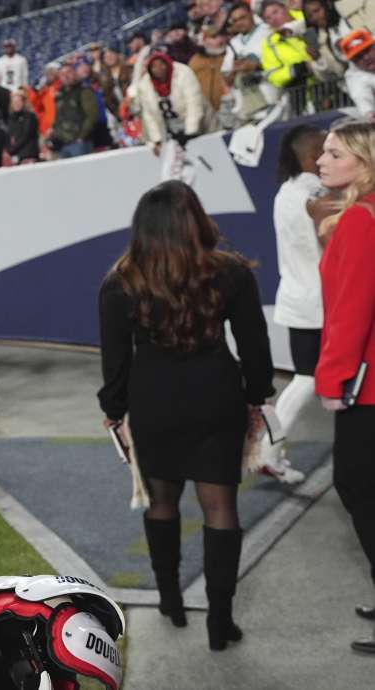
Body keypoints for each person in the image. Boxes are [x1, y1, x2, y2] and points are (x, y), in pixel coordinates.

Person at [98, 180, 274, 651]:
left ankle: (171, 601)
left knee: (161, 503)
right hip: (218, 399)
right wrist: (258, 397)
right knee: (221, 508)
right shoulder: (231, 272)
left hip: (154, 403)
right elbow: (256, 348)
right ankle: (221, 620)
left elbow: (114, 364)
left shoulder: (121, 282)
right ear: (196, 220)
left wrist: (114, 412)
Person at [313, 119, 375, 655]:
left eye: (334, 153)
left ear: (363, 160)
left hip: (365, 387)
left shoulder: (359, 219)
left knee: (356, 485)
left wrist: (331, 379)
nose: (321, 161)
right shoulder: (359, 216)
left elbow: (350, 312)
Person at [259, 126, 327, 483]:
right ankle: (267, 449)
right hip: (318, 302)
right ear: (311, 154)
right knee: (307, 381)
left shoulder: (286, 191)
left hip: (299, 298)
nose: (331, 147)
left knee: (304, 380)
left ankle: (268, 449)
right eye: (325, 144)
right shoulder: (314, 192)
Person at [135, 52, 207, 156]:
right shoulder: (145, 85)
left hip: (200, 126)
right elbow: (149, 116)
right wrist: (157, 140)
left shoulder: (183, 73)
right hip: (171, 130)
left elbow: (193, 104)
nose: (158, 68)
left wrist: (191, 132)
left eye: (161, 64)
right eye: (154, 66)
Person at [52, 62, 98, 159]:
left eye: (68, 72)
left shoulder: (84, 91)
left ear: (74, 73)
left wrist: (81, 136)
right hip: (63, 144)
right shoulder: (59, 95)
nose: (66, 76)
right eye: (62, 74)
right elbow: (58, 117)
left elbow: (91, 115)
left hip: (79, 142)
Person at [7, 89, 41, 164]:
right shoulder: (11, 119)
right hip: (17, 157)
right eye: (14, 102)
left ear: (24, 102)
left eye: (19, 101)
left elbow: (26, 135)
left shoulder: (30, 116)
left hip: (28, 155)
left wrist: (11, 150)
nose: (17, 104)